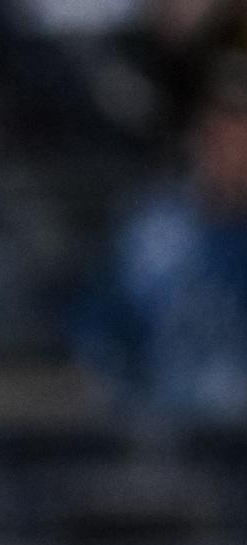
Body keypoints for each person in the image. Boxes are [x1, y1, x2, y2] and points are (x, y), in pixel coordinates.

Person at [89, 69, 247, 421]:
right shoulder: (154, 231)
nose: (232, 148)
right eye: (219, 132)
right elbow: (104, 328)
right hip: (167, 438)